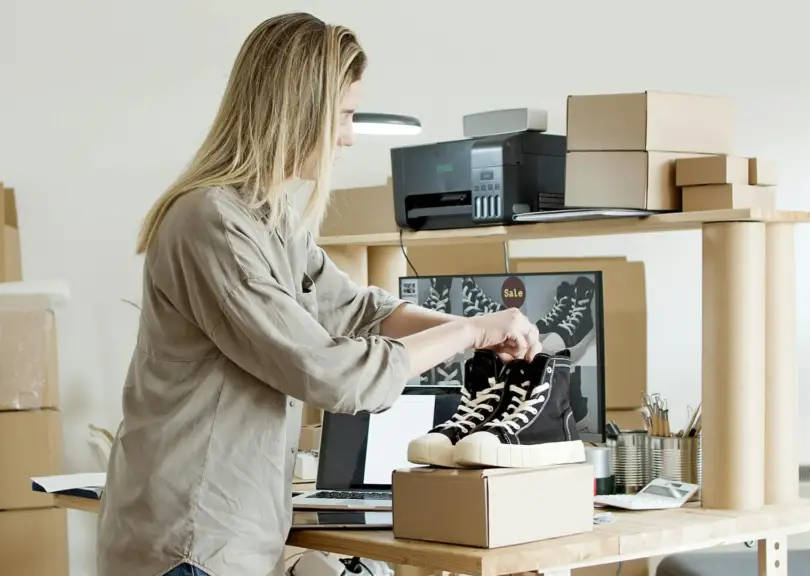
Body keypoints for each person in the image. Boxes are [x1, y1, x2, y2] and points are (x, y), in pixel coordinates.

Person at [97, 12, 542, 576]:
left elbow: (357, 310)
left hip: (230, 536)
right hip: (190, 542)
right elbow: (329, 372)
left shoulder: (273, 218)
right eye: (346, 115)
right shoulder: (210, 223)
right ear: (298, 110)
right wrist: (470, 332)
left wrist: (479, 334)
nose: (350, 136)